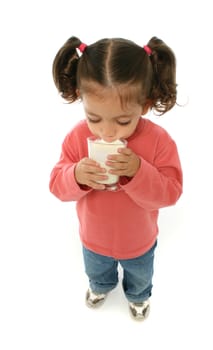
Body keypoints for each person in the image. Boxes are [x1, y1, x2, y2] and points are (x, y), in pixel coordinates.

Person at [49, 35, 183, 321]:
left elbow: (171, 193)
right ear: (81, 99)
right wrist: (76, 175)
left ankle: (138, 297)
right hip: (93, 239)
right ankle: (101, 287)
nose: (107, 132)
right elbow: (57, 186)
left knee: (140, 277)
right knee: (97, 272)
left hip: (140, 241)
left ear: (144, 105)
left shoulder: (159, 141)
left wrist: (138, 171)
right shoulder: (76, 136)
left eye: (123, 121)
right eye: (93, 118)